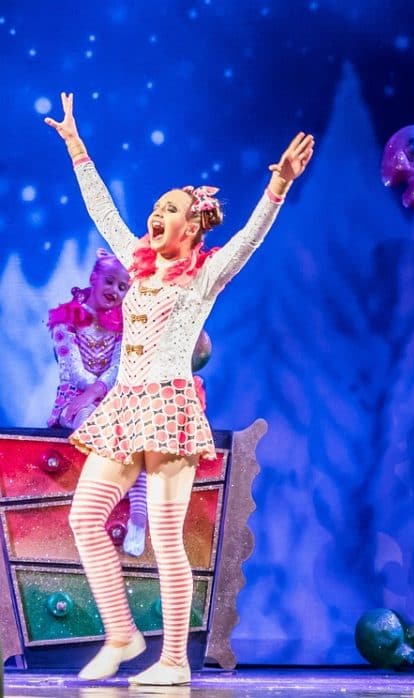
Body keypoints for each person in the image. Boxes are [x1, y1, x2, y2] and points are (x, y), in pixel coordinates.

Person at [44, 91, 315, 686]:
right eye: (156, 207)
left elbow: (249, 239)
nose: (155, 214)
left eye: (169, 208)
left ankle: (173, 660)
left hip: (168, 407)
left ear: (192, 225)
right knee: (85, 518)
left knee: (166, 539)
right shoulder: (137, 261)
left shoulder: (205, 274)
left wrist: (279, 185)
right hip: (124, 406)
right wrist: (76, 147)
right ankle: (122, 635)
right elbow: (103, 212)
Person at [47, 250, 152, 556]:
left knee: (137, 436)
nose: (114, 291)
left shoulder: (122, 326)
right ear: (94, 278)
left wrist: (100, 391)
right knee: (93, 423)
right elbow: (72, 371)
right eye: (109, 281)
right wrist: (92, 395)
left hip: (109, 396)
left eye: (123, 287)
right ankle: (101, 503)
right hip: (75, 399)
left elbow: (118, 366)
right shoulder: (66, 319)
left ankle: (138, 516)